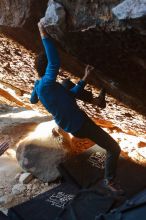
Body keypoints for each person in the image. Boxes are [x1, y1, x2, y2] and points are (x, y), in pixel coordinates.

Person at [30, 21, 123, 195]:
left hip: (73, 126)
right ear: (46, 71)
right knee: (113, 148)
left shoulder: (41, 87)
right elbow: (54, 62)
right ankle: (109, 180)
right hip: (80, 124)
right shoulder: (46, 84)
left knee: (65, 86)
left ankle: (96, 101)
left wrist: (85, 77)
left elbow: (40, 99)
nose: (56, 72)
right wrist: (44, 34)